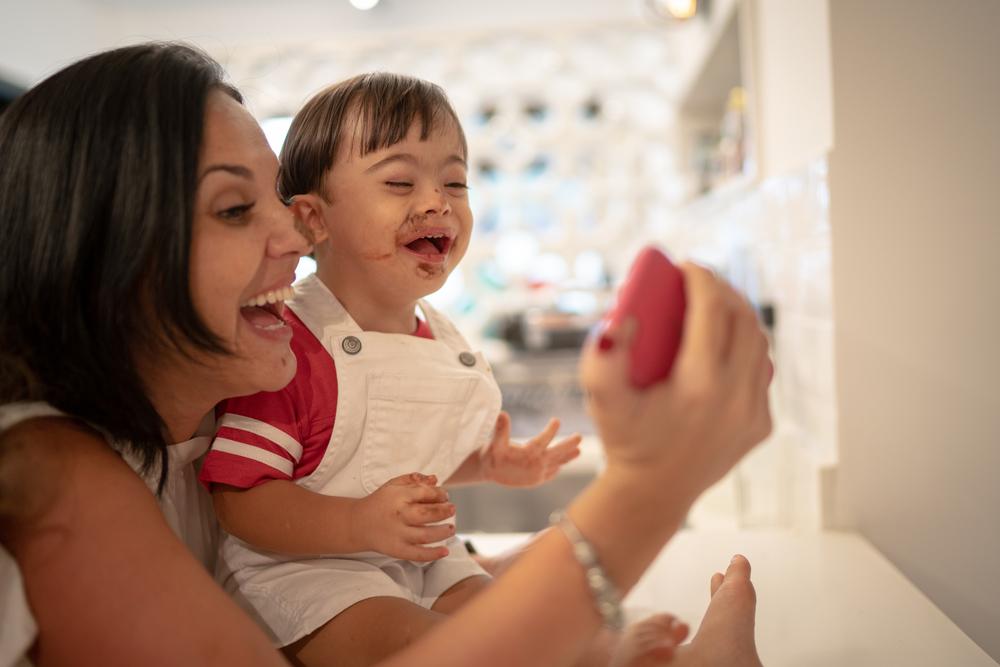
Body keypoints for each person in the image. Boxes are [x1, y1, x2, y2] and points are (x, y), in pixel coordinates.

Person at [0, 42, 769, 667]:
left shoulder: (199, 421)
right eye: (236, 208)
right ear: (104, 258)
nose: (297, 236)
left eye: (283, 200)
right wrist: (648, 490)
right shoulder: (47, 470)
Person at [195, 71, 600, 664]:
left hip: (414, 558)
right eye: (399, 181)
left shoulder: (437, 335)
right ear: (313, 220)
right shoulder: (289, 342)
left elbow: (391, 453)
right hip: (305, 573)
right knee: (451, 650)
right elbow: (240, 496)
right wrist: (359, 524)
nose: (437, 201)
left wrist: (485, 462)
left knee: (515, 623)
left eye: (456, 182)